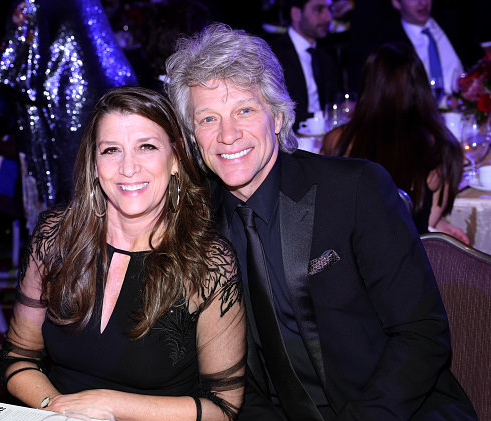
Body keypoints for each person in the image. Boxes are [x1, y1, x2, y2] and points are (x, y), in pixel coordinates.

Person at [165, 23, 476, 420]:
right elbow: (235, 380)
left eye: (245, 109)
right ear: (193, 137)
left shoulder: (354, 190)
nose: (228, 134)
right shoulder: (200, 225)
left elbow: (421, 335)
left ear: (277, 117)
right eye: (208, 119)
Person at [0, 86, 246, 420]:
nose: (128, 168)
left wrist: (109, 405)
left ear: (175, 159)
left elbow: (223, 407)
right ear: (94, 164)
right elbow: (18, 356)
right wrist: (56, 410)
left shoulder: (208, 263)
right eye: (111, 150)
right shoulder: (55, 236)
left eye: (146, 146)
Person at [0, 0, 137, 230]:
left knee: (68, 195)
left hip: (67, 108)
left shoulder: (30, 2)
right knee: (96, 190)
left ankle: (67, 257)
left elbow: (8, 57)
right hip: (112, 100)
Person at [321, 43, 468, 242]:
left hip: (352, 263)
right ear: (421, 88)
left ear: (367, 87)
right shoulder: (439, 147)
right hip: (407, 266)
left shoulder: (337, 140)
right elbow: (426, 226)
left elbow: (324, 206)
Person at [380, 0, 483, 99]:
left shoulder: (454, 23)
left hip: (470, 111)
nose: (423, 2)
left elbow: (480, 64)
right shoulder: (391, 47)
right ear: (396, 3)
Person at [269, 0, 338, 128]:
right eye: (319, 9)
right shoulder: (273, 56)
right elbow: (276, 112)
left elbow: (333, 101)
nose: (328, 17)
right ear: (296, 14)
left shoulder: (326, 55)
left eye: (329, 9)